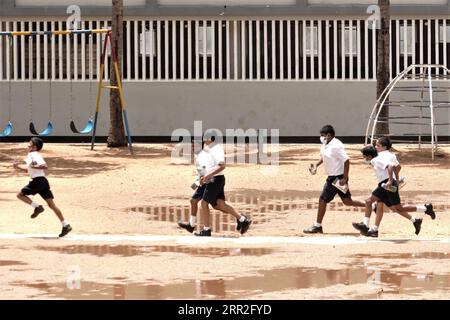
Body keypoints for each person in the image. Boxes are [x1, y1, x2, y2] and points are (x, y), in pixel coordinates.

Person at [353, 137, 435, 237]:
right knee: (392, 207)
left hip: (386, 184)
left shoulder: (378, 157)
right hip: (386, 184)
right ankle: (375, 229)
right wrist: (396, 179)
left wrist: (390, 180)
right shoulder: (391, 155)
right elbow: (398, 167)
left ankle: (366, 225)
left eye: (378, 145)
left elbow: (390, 166)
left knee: (370, 202)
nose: (376, 147)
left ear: (384, 147)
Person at [304, 125, 366, 234]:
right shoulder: (326, 144)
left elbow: (346, 160)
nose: (321, 137)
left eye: (322, 135)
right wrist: (316, 165)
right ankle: (371, 206)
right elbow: (325, 157)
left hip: (337, 178)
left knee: (322, 199)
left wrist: (345, 178)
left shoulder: (336, 145)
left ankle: (317, 226)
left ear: (329, 135)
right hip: (334, 177)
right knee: (347, 201)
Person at [190, 131, 251, 237]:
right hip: (215, 179)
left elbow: (222, 166)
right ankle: (242, 219)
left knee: (204, 203)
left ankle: (206, 229)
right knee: (219, 204)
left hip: (215, 179)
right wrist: (197, 183)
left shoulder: (215, 150)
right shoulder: (208, 152)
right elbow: (204, 172)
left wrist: (207, 176)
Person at [14, 137, 72, 237]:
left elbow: (45, 166)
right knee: (52, 205)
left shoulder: (33, 155)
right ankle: (65, 225)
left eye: (29, 144)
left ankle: (37, 207)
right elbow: (29, 170)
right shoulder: (32, 155)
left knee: (20, 195)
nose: (27, 146)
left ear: (34, 147)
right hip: (43, 182)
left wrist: (33, 166)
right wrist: (17, 167)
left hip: (37, 181)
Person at [177, 140, 211, 233]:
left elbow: (204, 174)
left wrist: (195, 184)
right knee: (194, 201)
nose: (192, 148)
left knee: (218, 205)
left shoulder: (201, 157)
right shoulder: (202, 155)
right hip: (205, 181)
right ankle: (191, 225)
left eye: (194, 146)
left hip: (206, 183)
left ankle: (240, 218)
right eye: (192, 146)